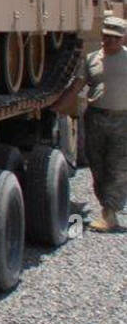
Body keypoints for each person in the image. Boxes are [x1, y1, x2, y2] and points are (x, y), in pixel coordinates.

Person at [55, 14, 127, 232]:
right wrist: (57, 107)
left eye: (115, 38)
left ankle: (110, 212)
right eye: (106, 36)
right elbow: (78, 87)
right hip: (96, 118)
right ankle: (106, 206)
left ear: (123, 38)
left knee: (118, 166)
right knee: (97, 165)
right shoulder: (92, 59)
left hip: (123, 120)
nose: (109, 41)